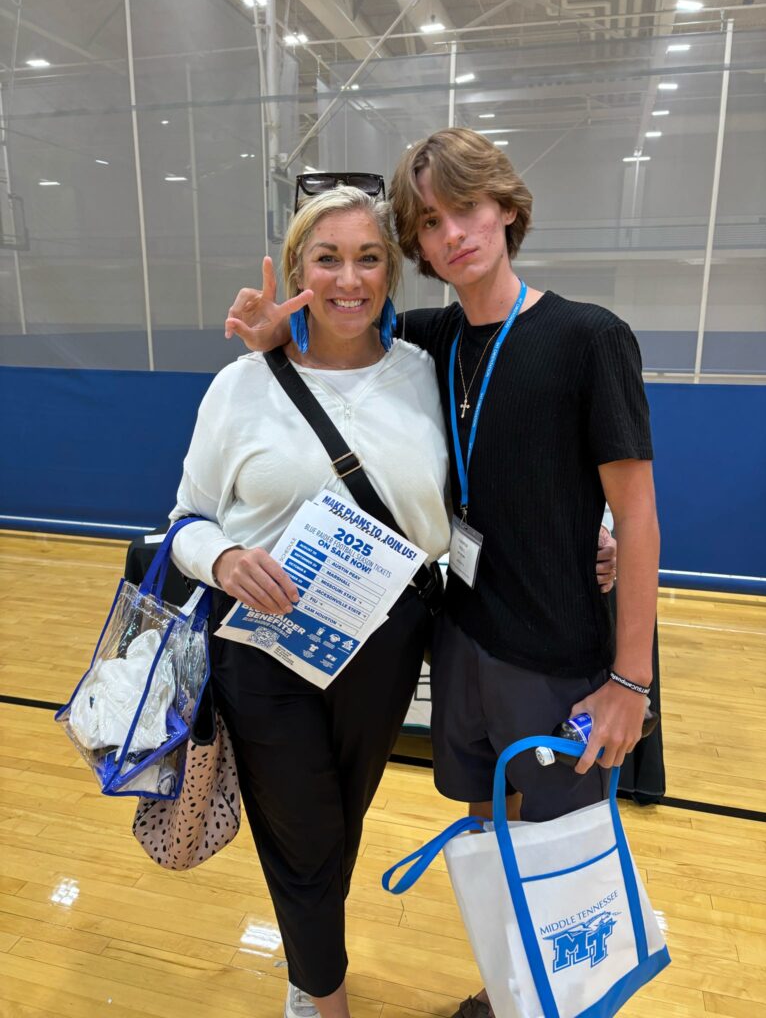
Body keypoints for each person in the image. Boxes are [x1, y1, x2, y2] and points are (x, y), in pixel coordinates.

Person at [224, 131, 655, 1017]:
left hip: (559, 657)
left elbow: (639, 516)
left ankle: (554, 1003)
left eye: (466, 208)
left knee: (563, 863)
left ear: (505, 208)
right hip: (461, 648)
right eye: (428, 222)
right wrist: (273, 333)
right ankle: (508, 997)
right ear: (416, 248)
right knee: (494, 844)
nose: (452, 233)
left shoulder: (588, 338)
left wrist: (629, 680)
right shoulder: (429, 339)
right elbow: (337, 328)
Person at [168, 184, 452, 1018]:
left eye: (368, 257)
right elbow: (184, 518)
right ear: (297, 270)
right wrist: (220, 558)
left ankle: (308, 961)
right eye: (326, 258)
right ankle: (321, 996)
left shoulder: (426, 375)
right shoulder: (241, 387)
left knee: (341, 816)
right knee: (303, 828)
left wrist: (601, 530)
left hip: (387, 637)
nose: (348, 279)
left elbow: (503, 473)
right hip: (262, 643)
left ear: (391, 272)